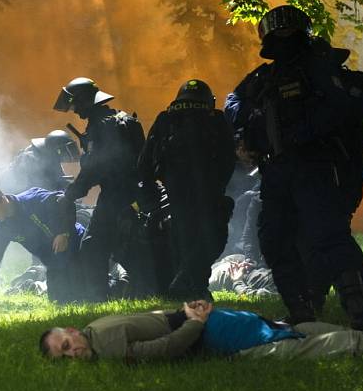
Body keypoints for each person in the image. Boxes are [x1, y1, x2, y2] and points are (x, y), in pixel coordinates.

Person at [226, 5, 363, 330]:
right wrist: (252, 120)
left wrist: (307, 128)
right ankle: (301, 310)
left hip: (316, 166)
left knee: (328, 236)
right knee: (274, 239)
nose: (283, 41)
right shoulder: (264, 77)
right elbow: (232, 101)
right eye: (277, 36)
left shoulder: (322, 70)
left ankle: (359, 314)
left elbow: (358, 99)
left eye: (288, 35)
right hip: (277, 170)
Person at [39, 301, 363, 361]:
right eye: (65, 356)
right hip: (217, 318)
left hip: (215, 333)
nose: (73, 354)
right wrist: (193, 309)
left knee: (288, 346)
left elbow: (170, 346)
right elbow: (157, 321)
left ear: (73, 330)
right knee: (287, 329)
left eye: (67, 345)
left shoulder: (106, 343)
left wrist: (194, 320)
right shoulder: (96, 326)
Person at [53, 77, 150, 302]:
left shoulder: (101, 127)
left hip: (116, 195)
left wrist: (71, 193)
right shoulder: (123, 120)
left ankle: (98, 298)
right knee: (124, 246)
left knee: (93, 246)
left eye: (75, 105)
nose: (75, 111)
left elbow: (95, 169)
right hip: (134, 193)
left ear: (85, 101)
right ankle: (143, 290)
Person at [139, 79, 236, 300]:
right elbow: (228, 157)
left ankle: (194, 288)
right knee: (214, 238)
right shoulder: (215, 119)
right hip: (209, 190)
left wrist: (152, 191)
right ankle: (189, 282)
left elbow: (144, 161)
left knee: (185, 239)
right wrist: (219, 185)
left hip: (175, 191)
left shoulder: (166, 119)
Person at [0, 186, 82, 303]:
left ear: (2, 199)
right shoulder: (0, 226)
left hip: (78, 245)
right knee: (58, 299)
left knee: (89, 290)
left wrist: (63, 233)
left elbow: (64, 202)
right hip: (55, 261)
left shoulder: (32, 199)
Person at [0, 130, 80, 194]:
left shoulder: (50, 157)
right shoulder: (30, 158)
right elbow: (35, 188)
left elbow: (58, 179)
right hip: (12, 196)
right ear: (55, 150)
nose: (65, 154)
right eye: (63, 151)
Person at [208, 254, 276, 296]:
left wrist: (237, 280)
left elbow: (254, 297)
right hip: (242, 264)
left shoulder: (277, 292)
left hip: (231, 275)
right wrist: (252, 264)